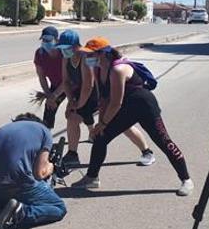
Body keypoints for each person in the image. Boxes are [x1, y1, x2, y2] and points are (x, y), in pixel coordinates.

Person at [71, 37, 194, 196]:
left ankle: (186, 179)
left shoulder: (118, 69)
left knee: (164, 141)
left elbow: (116, 103)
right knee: (100, 137)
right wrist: (99, 125)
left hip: (144, 106)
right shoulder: (98, 69)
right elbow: (104, 100)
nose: (86, 58)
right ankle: (92, 177)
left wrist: (102, 123)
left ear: (102, 54)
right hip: (126, 108)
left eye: (90, 54)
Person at [57, 30, 156, 168]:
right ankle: (73, 154)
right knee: (73, 119)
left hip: (98, 95)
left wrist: (78, 105)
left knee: (122, 125)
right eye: (61, 48)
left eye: (65, 48)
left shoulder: (86, 58)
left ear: (75, 46)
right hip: (83, 96)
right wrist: (71, 102)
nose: (63, 51)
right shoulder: (66, 59)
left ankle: (147, 151)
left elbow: (89, 85)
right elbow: (66, 81)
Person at [0, 113, 66, 229]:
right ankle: (20, 214)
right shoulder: (44, 131)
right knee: (58, 207)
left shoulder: (3, 130)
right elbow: (40, 173)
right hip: (19, 184)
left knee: (9, 196)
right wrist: (51, 166)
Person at [34, 26, 66, 129]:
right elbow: (42, 77)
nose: (45, 42)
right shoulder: (40, 54)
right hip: (56, 84)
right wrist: (49, 95)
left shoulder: (64, 53)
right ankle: (46, 135)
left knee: (80, 112)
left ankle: (91, 130)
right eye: (43, 40)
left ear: (57, 40)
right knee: (49, 108)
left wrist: (55, 95)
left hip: (72, 84)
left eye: (48, 40)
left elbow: (68, 79)